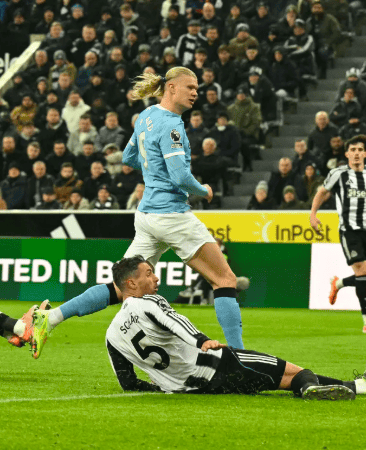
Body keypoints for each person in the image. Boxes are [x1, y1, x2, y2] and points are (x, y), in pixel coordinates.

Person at [31, 67, 245, 358]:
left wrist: (153, 170)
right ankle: (241, 357)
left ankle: (51, 318)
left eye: (197, 88)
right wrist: (204, 189)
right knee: (225, 280)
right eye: (190, 87)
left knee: (124, 286)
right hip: (171, 215)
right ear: (171, 88)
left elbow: (129, 157)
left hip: (146, 216)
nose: (196, 92)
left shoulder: (146, 115)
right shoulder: (172, 125)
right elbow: (180, 177)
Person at [106, 256, 366, 400]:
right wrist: (202, 340)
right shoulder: (148, 301)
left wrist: (161, 387)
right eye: (149, 274)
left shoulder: (112, 334)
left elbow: (128, 383)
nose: (156, 278)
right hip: (218, 364)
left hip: (191, 389)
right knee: (295, 373)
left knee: (276, 378)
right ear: (131, 284)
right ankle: (334, 387)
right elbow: (174, 322)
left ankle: (351, 386)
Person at [309, 135, 366, 334]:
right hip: (348, 230)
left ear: (365, 153)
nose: (356, 153)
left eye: (360, 150)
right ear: (346, 154)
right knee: (361, 272)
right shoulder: (338, 174)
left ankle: (339, 283)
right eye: (353, 150)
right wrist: (313, 214)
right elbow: (322, 192)